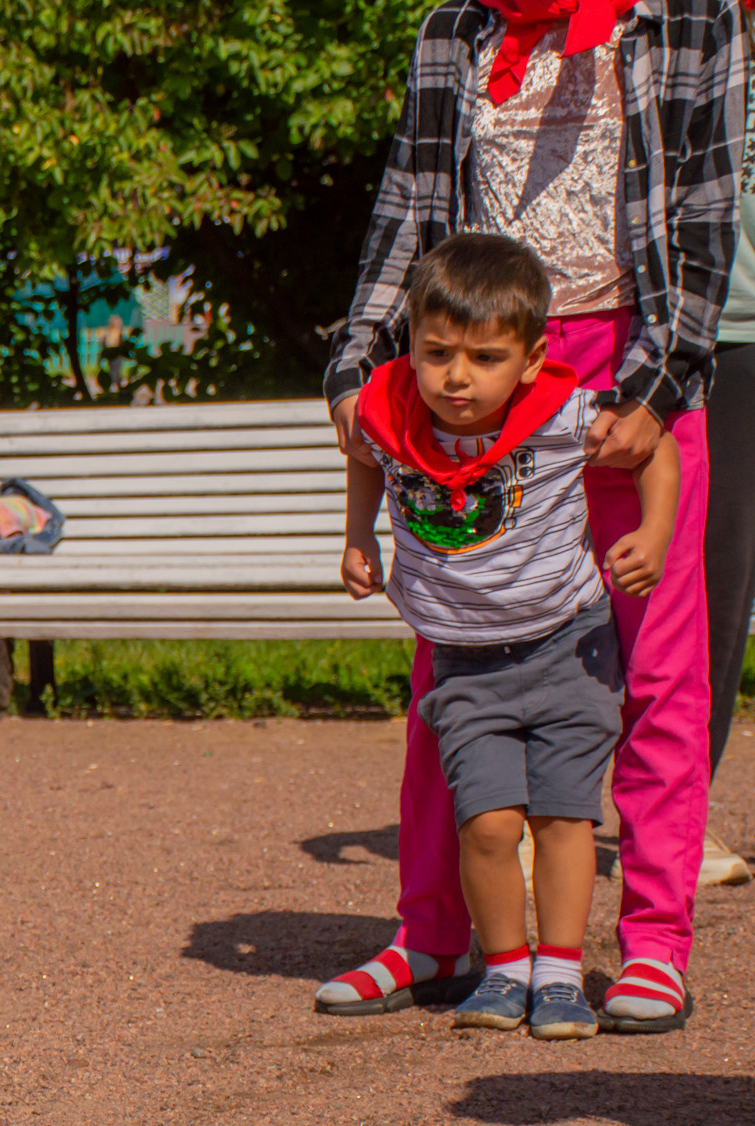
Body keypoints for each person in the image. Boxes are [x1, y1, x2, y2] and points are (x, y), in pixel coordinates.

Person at [317, 0, 741, 1032]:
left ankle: (651, 945)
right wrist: (354, 364)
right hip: (473, 368)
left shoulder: (685, 15)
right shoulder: (451, 30)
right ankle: (432, 932)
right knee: (450, 654)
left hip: (626, 361)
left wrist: (658, 389)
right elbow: (406, 211)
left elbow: (706, 206)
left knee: (657, 665)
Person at [342, 235, 680, 1038]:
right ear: (413, 346)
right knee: (487, 824)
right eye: (437, 353)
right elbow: (362, 451)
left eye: (486, 358)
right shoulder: (391, 413)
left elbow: (656, 448)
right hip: (463, 664)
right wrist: (359, 535)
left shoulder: (563, 414)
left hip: (569, 649)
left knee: (565, 819)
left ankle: (560, 975)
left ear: (530, 360)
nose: (457, 377)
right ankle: (501, 969)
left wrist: (655, 535)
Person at [698, 148, 755, 885]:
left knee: (730, 586)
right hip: (704, 329)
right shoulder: (682, 32)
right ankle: (537, 806)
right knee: (710, 579)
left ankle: (685, 805)